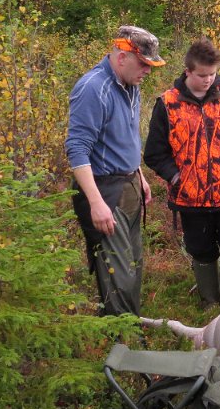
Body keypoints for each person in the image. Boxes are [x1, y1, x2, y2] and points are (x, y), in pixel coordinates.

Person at [144, 37, 220, 306]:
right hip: (190, 198)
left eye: (213, 74)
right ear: (188, 72)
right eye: (202, 75)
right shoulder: (168, 104)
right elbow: (154, 153)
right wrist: (176, 177)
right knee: (202, 251)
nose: (208, 80)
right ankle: (209, 301)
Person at [65, 25, 164, 316]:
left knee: (132, 263)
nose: (148, 71)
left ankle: (129, 326)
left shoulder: (130, 85)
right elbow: (77, 149)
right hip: (105, 191)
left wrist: (139, 175)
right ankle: (118, 342)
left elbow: (127, 136)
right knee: (116, 271)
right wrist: (95, 203)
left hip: (129, 184)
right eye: (144, 63)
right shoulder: (93, 88)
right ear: (122, 57)